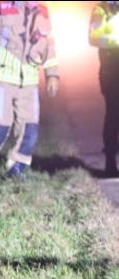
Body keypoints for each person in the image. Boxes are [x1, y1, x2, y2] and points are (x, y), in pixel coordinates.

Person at [0, 1, 60, 182]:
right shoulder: (0, 11)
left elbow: (49, 48)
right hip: (0, 78)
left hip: (29, 81)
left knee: (30, 128)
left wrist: (52, 75)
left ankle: (17, 167)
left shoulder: (43, 14)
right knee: (0, 126)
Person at [90, 1, 119, 177]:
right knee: (113, 114)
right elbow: (93, 37)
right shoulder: (101, 10)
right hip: (111, 69)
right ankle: (110, 162)